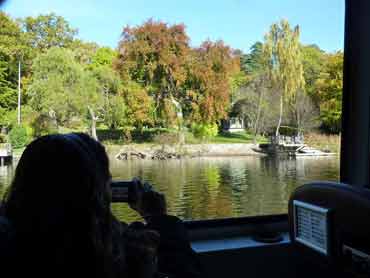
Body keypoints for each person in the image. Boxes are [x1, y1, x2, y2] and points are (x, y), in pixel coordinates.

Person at [0, 133, 201, 277]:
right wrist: (158, 218)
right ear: (96, 195)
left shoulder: (14, 245)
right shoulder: (113, 259)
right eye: (107, 181)